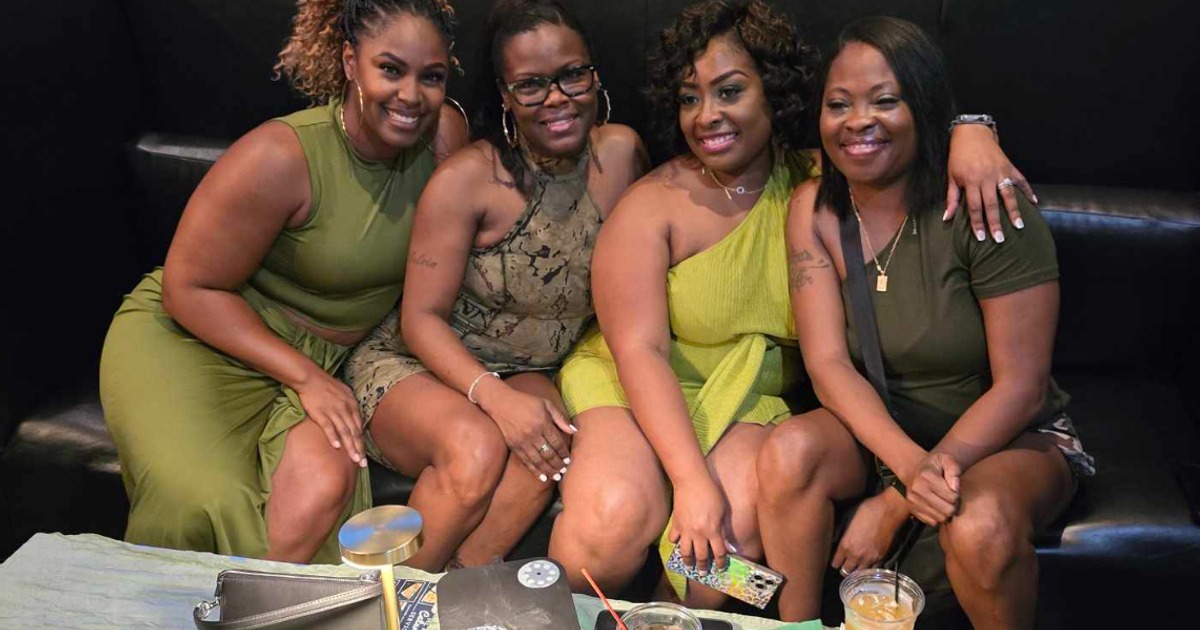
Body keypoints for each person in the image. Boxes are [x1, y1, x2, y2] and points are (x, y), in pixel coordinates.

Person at [549, 0, 1034, 608]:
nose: (708, 116)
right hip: (635, 384)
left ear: (772, 92)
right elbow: (637, 352)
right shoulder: (652, 205)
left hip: (753, 394)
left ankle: (672, 618)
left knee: (728, 540)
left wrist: (971, 128)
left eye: (730, 91)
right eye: (690, 98)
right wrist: (691, 482)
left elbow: (900, 136)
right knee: (609, 524)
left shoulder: (821, 183)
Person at [98, 0, 468, 564]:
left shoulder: (445, 141)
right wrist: (306, 377)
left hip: (324, 362)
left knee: (323, 488)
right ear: (349, 62)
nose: (412, 95)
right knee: (200, 501)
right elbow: (189, 289)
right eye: (390, 69)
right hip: (201, 339)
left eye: (432, 76)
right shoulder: (280, 156)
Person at [771, 16, 1095, 626]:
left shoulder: (985, 200)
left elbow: (1022, 388)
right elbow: (828, 364)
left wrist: (900, 498)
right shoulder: (813, 209)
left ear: (924, 107)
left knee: (980, 525)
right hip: (886, 438)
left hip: (1004, 440)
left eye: (884, 101)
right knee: (789, 449)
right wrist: (906, 467)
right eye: (838, 104)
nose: (857, 121)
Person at [341, 0, 648, 572]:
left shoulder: (623, 155)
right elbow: (420, 320)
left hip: (527, 368)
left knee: (549, 444)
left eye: (571, 75)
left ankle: (460, 592)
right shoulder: (469, 181)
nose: (557, 98)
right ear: (505, 96)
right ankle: (384, 603)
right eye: (530, 86)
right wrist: (496, 399)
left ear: (595, 76)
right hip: (418, 362)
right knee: (476, 447)